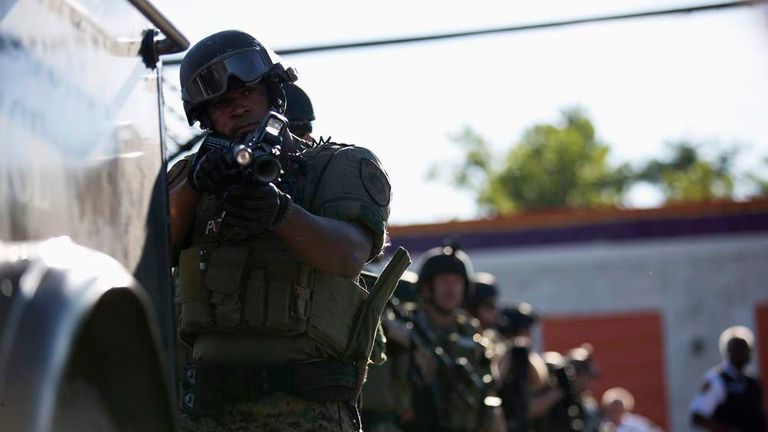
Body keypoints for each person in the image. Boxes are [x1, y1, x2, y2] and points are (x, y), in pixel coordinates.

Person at [167, 30, 396, 432]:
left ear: (275, 93)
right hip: (206, 408)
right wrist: (196, 185)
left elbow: (349, 255)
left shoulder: (337, 166)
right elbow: (147, 249)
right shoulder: (190, 179)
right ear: (205, 117)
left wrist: (280, 213)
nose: (236, 109)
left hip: (306, 406)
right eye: (220, 104)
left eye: (246, 94)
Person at [403, 242, 498, 432]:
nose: (451, 289)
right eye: (444, 281)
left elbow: (488, 398)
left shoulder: (474, 337)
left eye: (457, 282)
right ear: (427, 287)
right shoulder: (405, 330)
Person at [690, 325, 767, 432]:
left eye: (745, 349)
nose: (743, 353)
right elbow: (697, 417)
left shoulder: (753, 381)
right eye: (738, 349)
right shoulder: (716, 379)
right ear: (728, 351)